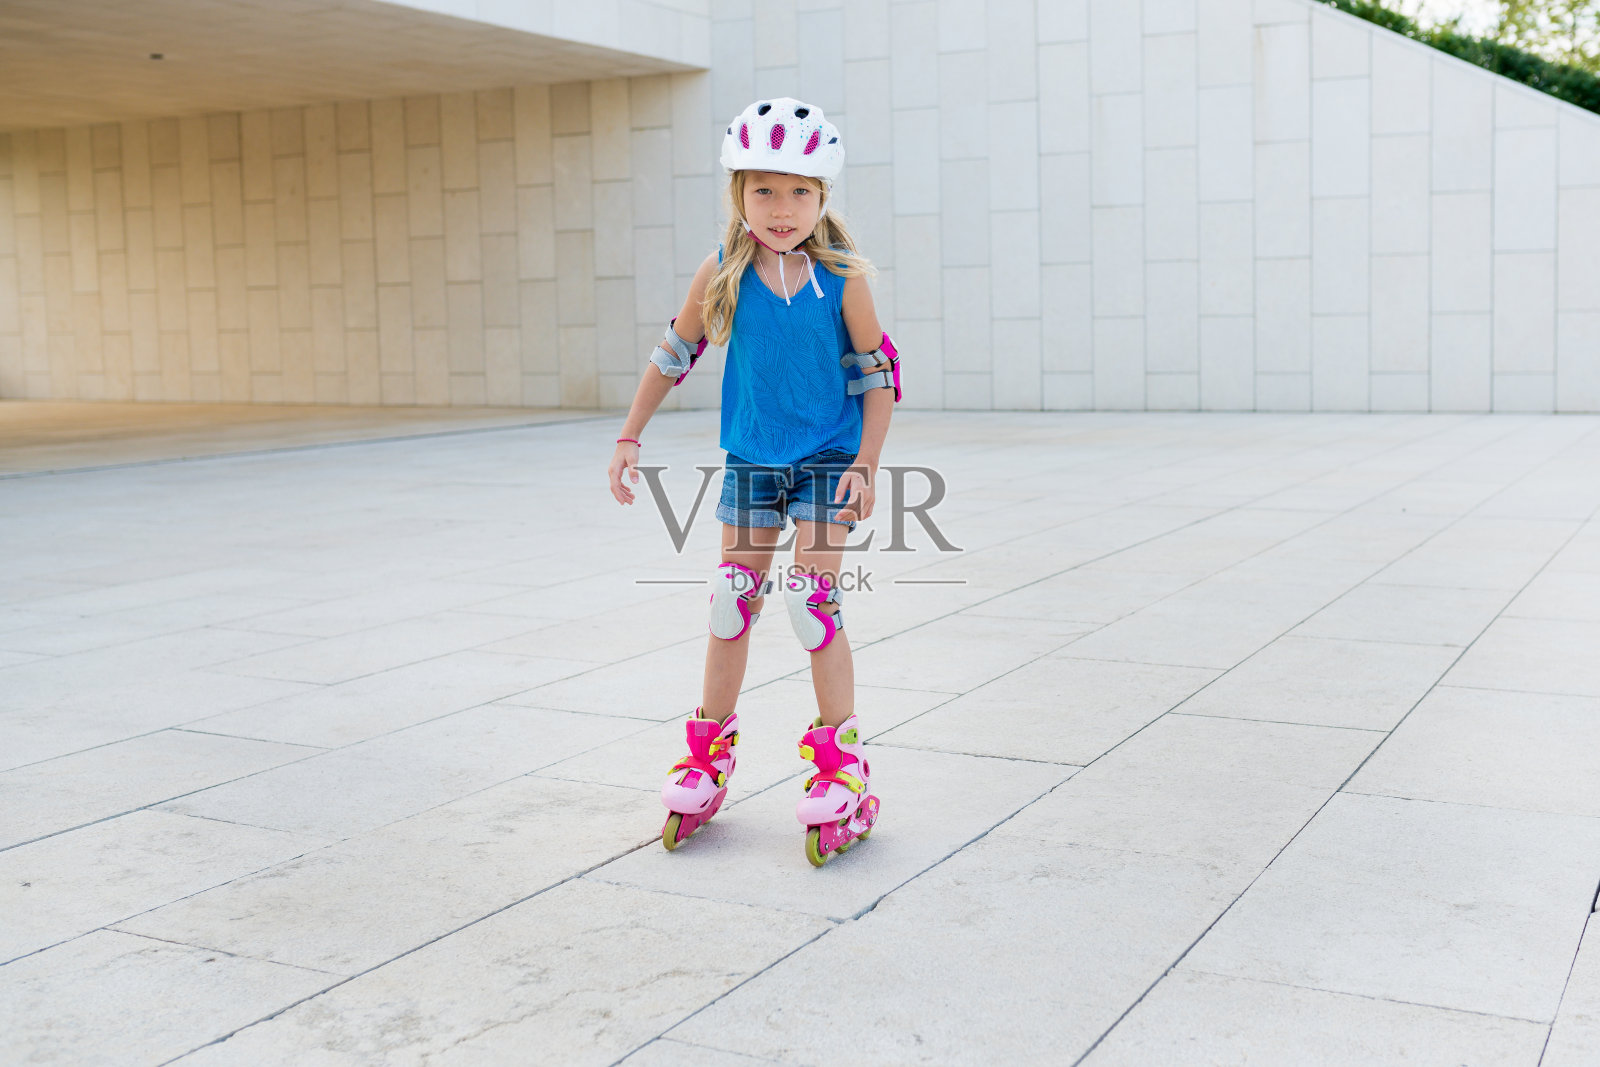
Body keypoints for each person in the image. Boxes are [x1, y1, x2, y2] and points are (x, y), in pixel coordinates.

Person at [606, 98, 901, 867]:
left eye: (800, 191)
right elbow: (674, 353)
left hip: (829, 462)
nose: (781, 208)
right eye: (764, 190)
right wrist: (630, 434)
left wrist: (867, 466)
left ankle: (844, 768)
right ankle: (707, 755)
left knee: (813, 603)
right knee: (731, 600)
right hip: (752, 462)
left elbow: (878, 379)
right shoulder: (723, 271)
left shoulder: (842, 277)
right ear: (737, 192)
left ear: (823, 198)